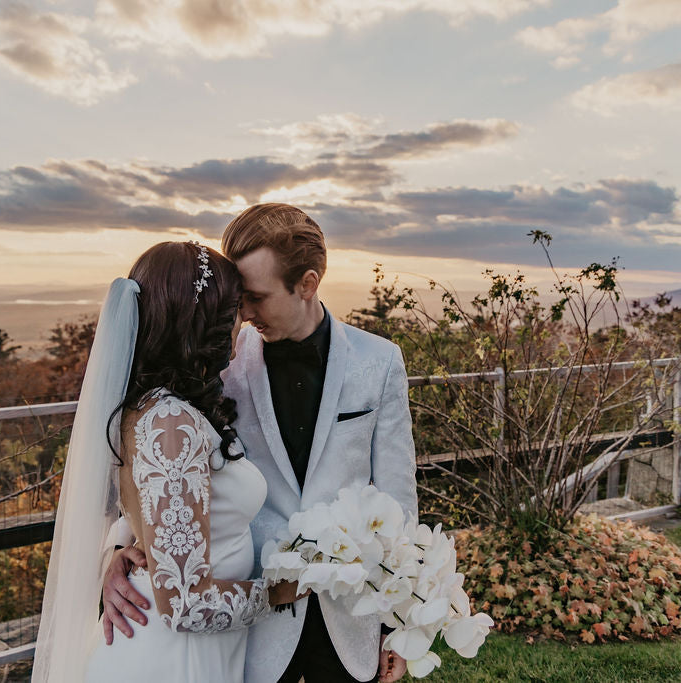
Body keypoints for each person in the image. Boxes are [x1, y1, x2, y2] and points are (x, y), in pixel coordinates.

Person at [103, 204, 418, 682]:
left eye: (255, 297)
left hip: (352, 614)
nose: (244, 314)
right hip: (247, 625)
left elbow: (399, 498)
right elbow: (155, 468)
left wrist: (399, 623)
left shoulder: (380, 361)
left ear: (307, 284)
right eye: (238, 300)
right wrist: (120, 552)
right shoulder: (217, 363)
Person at [32, 241, 301, 682]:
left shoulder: (154, 406)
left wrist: (121, 550)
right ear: (202, 320)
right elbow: (185, 605)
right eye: (233, 308)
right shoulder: (171, 423)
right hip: (174, 658)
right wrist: (284, 589)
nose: (243, 320)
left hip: (195, 649)